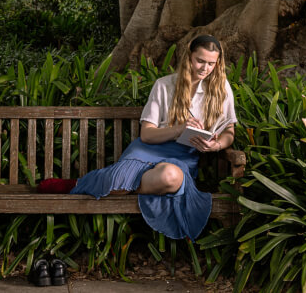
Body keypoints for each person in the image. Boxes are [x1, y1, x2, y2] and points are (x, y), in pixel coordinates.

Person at [39, 35, 237, 241]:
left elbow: (229, 131)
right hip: (148, 149)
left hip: (181, 157)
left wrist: (216, 145)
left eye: (211, 63)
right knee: (120, 182)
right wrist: (179, 129)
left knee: (171, 178)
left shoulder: (221, 89)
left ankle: (107, 186)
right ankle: (79, 184)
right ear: (188, 57)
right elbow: (147, 134)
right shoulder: (164, 85)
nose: (205, 68)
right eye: (200, 61)